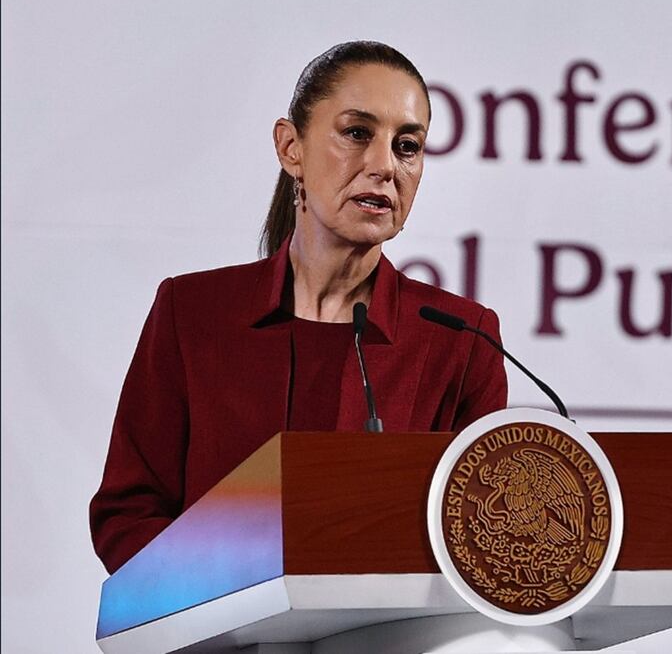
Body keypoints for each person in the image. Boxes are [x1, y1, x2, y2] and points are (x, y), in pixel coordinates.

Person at [89, 42, 508, 574]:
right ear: (291, 148)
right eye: (357, 133)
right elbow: (129, 512)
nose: (384, 166)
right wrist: (224, 593)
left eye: (407, 146)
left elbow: (481, 537)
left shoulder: (461, 338)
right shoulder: (192, 313)